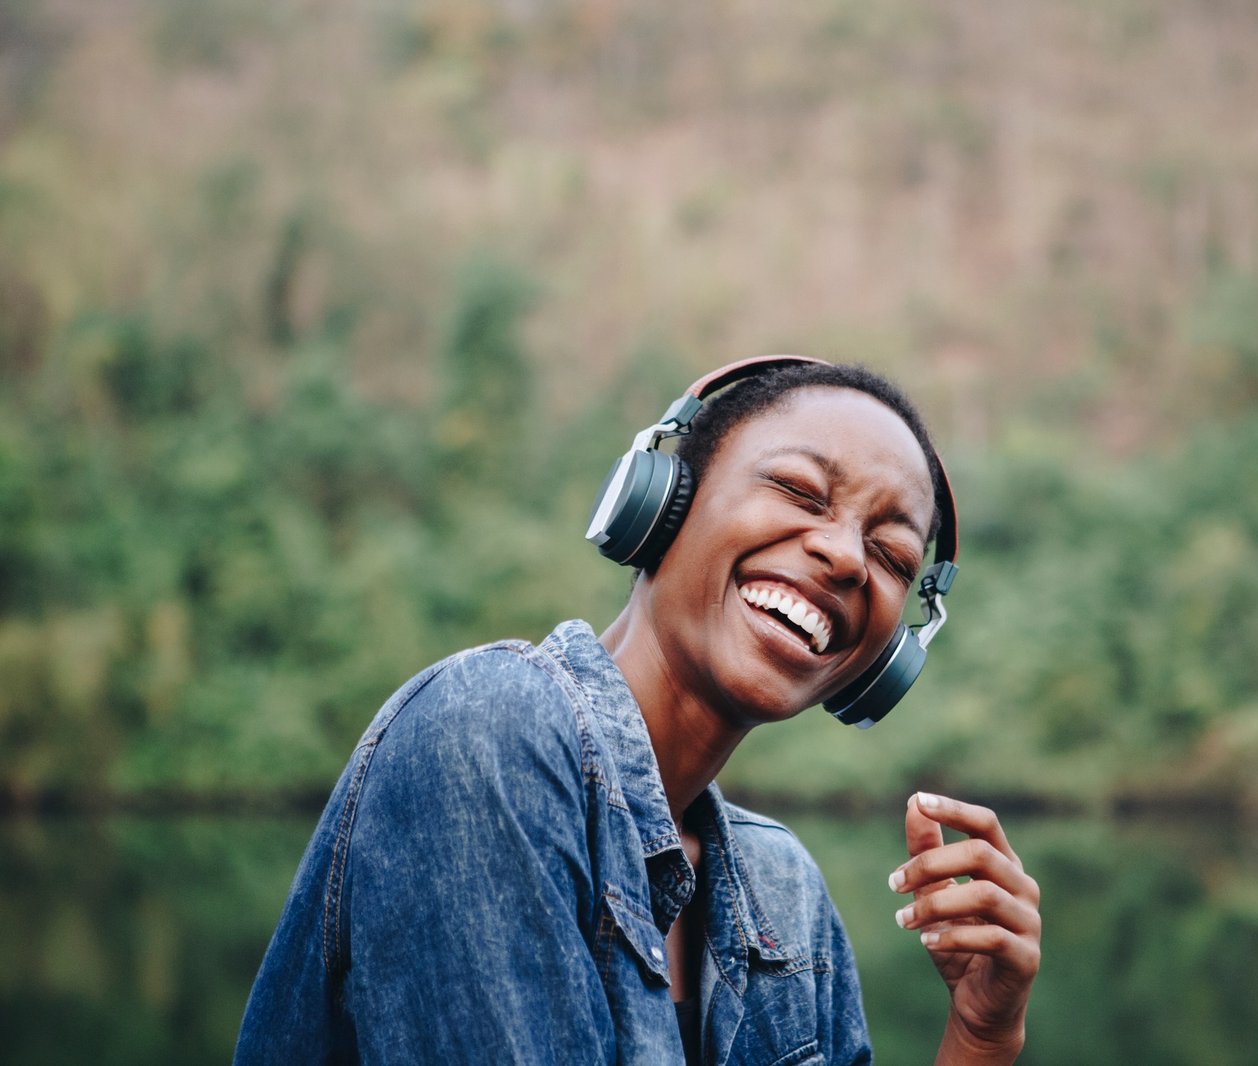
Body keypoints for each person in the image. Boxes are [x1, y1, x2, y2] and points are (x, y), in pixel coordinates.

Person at [234, 357, 1040, 1064]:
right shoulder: (485, 731)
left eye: (893, 556)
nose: (843, 556)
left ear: (885, 661)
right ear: (661, 500)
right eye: (797, 490)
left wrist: (981, 1037)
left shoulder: (783, 893)